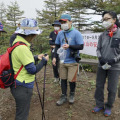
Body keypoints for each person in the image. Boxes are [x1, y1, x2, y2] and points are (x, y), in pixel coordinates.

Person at [10, 18, 49, 120]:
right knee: (22, 115)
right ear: (30, 35)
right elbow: (32, 70)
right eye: (34, 34)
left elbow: (21, 60)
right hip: (23, 86)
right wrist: (44, 61)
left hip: (17, 83)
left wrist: (36, 57)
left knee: (21, 112)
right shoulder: (23, 48)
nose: (35, 36)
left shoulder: (17, 42)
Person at [92, 11, 120, 117]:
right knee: (99, 86)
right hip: (102, 65)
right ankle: (99, 104)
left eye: (107, 19)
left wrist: (114, 59)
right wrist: (100, 58)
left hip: (115, 66)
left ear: (114, 20)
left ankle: (108, 106)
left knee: (112, 88)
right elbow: (98, 48)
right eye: (103, 19)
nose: (105, 21)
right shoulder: (102, 35)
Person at [52, 14, 84, 106]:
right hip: (62, 61)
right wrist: (54, 57)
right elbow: (57, 45)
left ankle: (72, 94)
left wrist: (69, 46)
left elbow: (81, 46)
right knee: (63, 79)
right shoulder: (60, 33)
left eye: (65, 22)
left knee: (71, 80)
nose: (63, 24)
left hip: (73, 61)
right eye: (61, 22)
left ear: (70, 22)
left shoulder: (76, 33)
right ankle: (63, 96)